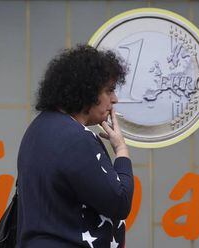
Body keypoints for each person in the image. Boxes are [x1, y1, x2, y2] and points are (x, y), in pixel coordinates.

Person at [16, 45, 134, 248]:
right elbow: (119, 202)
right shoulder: (77, 139)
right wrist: (122, 151)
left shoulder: (38, 128)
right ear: (87, 92)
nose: (114, 99)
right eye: (109, 90)